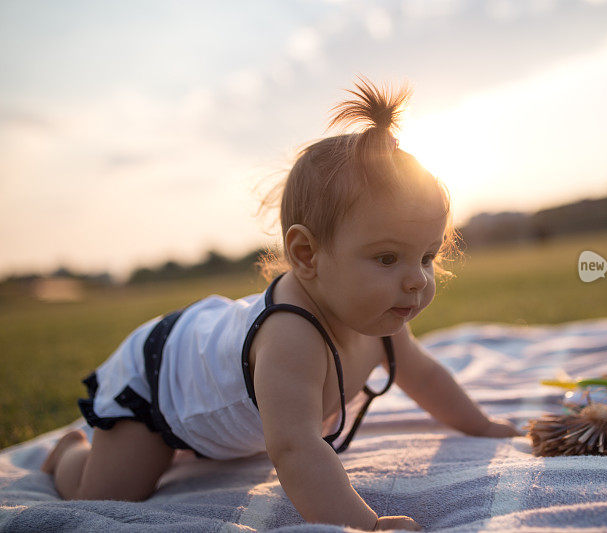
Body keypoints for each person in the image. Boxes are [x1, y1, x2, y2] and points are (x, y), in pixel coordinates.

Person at [40, 76, 523, 531]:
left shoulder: (381, 316)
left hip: (216, 392)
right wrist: (364, 523)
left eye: (427, 256)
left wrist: (480, 425)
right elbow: (295, 450)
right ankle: (68, 454)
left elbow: (425, 375)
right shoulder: (291, 335)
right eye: (387, 257)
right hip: (159, 384)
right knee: (109, 495)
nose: (416, 280)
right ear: (307, 254)